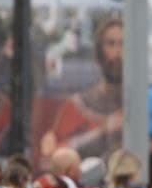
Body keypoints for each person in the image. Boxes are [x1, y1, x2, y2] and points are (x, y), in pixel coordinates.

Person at [41, 18, 124, 162]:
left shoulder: (144, 105)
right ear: (99, 52)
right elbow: (54, 156)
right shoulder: (75, 106)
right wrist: (103, 131)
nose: (118, 52)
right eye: (111, 44)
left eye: (124, 44)